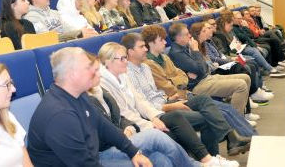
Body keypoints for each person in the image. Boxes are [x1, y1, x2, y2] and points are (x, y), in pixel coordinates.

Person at [97, 42, 238, 166]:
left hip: (148, 115)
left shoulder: (123, 75)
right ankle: (204, 161)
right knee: (172, 131)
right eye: (121, 58)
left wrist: (154, 117)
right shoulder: (104, 83)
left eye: (125, 57)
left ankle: (210, 159)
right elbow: (124, 114)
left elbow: (141, 101)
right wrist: (150, 124)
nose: (125, 61)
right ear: (107, 61)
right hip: (135, 125)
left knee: (194, 117)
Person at [124, 31, 251, 158]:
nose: (145, 49)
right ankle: (212, 156)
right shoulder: (130, 73)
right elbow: (143, 104)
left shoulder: (145, 67)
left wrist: (169, 98)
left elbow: (180, 76)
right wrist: (171, 104)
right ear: (130, 52)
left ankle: (231, 138)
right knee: (206, 117)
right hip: (157, 112)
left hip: (168, 99)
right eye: (141, 47)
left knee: (204, 100)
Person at [27, 47, 153, 167]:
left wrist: (133, 152)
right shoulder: (60, 115)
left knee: (157, 159)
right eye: (88, 67)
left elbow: (103, 126)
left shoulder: (79, 95)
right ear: (72, 74)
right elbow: (83, 164)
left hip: (90, 160)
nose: (94, 71)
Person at [86, 53, 202, 167]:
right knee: (157, 135)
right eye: (95, 70)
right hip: (104, 151)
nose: (99, 73)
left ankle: (206, 159)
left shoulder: (100, 90)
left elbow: (119, 115)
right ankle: (199, 163)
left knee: (160, 158)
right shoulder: (90, 96)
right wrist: (141, 127)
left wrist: (131, 126)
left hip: (129, 129)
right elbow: (111, 124)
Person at [168, 22, 250, 116]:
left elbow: (204, 66)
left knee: (245, 78)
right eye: (187, 34)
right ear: (178, 37)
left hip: (204, 77)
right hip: (196, 86)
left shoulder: (185, 47)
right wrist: (196, 51)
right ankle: (238, 120)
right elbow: (200, 69)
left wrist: (197, 68)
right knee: (240, 85)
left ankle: (242, 113)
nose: (190, 35)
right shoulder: (177, 53)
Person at [24, 0, 97, 41]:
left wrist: (83, 32)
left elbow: (68, 29)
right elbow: (48, 39)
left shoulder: (55, 13)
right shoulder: (31, 17)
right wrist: (78, 33)